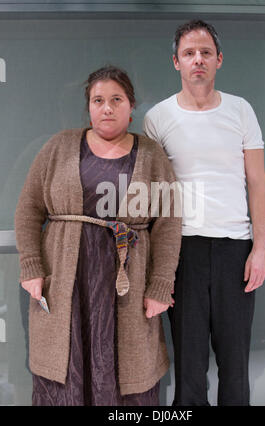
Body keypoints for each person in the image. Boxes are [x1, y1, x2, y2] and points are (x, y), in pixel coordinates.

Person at [14, 65, 182, 406]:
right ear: (89, 106)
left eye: (116, 99)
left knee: (127, 372)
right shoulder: (58, 147)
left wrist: (160, 286)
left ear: (131, 106)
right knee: (64, 369)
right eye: (98, 100)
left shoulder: (151, 155)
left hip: (126, 284)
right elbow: (28, 209)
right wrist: (31, 268)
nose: (107, 107)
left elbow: (168, 224)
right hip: (65, 282)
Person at [143, 19, 265, 406]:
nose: (198, 59)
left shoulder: (241, 110)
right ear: (176, 63)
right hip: (182, 252)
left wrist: (260, 248)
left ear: (219, 60)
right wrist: (159, 267)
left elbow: (257, 182)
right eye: (189, 53)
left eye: (205, 52)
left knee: (235, 365)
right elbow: (153, 197)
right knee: (189, 363)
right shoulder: (158, 118)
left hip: (236, 250)